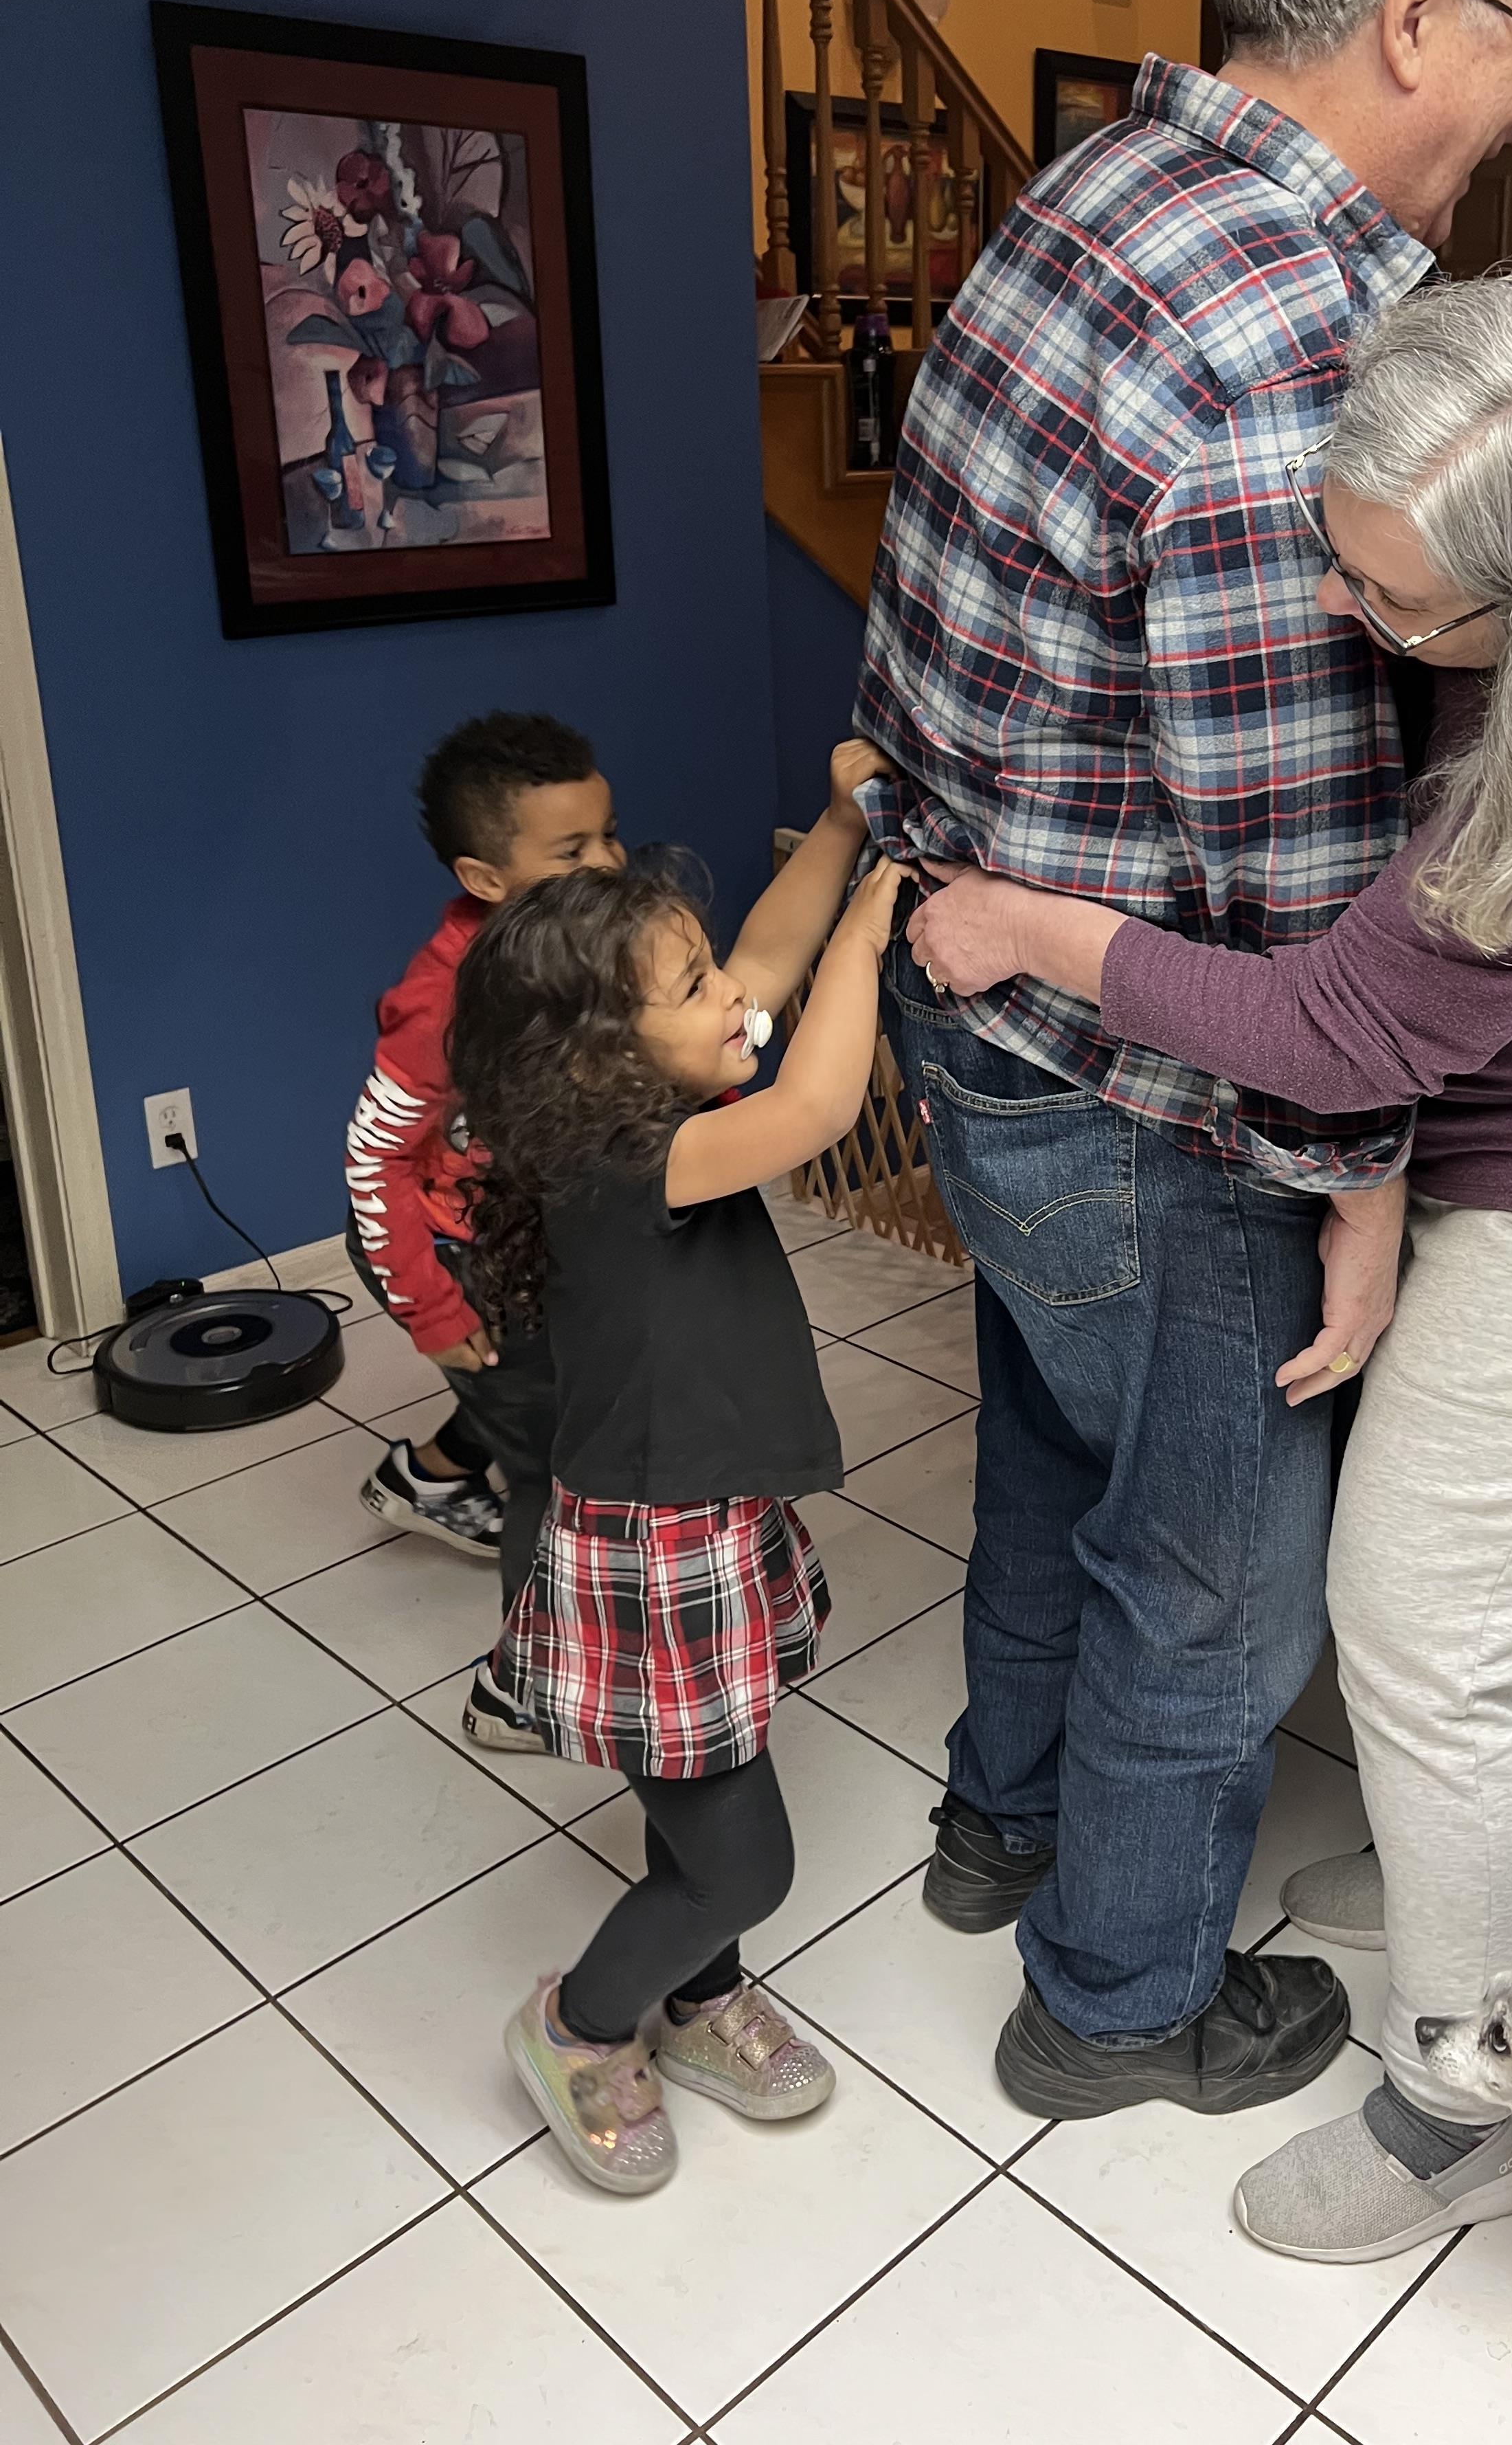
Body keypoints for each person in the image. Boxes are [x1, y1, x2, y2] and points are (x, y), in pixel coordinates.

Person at [907, 271, 1512, 2259]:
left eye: (1399, 610)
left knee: (1421, 1632)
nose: (1347, 618)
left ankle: (1462, 2101)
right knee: (1491, 1619)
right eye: (1338, 558)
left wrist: (1032, 929)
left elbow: (1341, 1035)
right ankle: (1486, 1916)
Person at [851, 0, 1512, 2119]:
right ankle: (1119, 1999)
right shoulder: (1299, 334)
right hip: (1162, 1086)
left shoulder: (1101, 183)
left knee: (1050, 1460)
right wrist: (1363, 1182)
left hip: (978, 1004)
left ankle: (1005, 1817)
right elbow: (1295, 886)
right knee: (1216, 1566)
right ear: (1413, 5)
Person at [447, 744, 905, 2194]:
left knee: (705, 1789)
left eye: (712, 973)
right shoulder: (628, 1164)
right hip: (651, 1552)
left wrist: (838, 825)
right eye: (695, 991)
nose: (736, 999)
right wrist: (881, 923)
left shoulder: (634, 1109)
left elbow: (769, 954)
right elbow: (820, 1110)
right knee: (738, 1858)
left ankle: (702, 2001)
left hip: (701, 1514)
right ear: (602, 1056)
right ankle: (581, 2026)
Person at [345, 711, 623, 1752]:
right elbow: (375, 1162)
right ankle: (521, 1689)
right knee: (553, 1473)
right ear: (486, 875)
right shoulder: (445, 1001)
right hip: (450, 1250)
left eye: (609, 833)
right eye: (571, 851)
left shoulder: (577, 940)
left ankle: (427, 1475)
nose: (605, 863)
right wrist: (429, 1306)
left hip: (517, 1227)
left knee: (535, 1385)